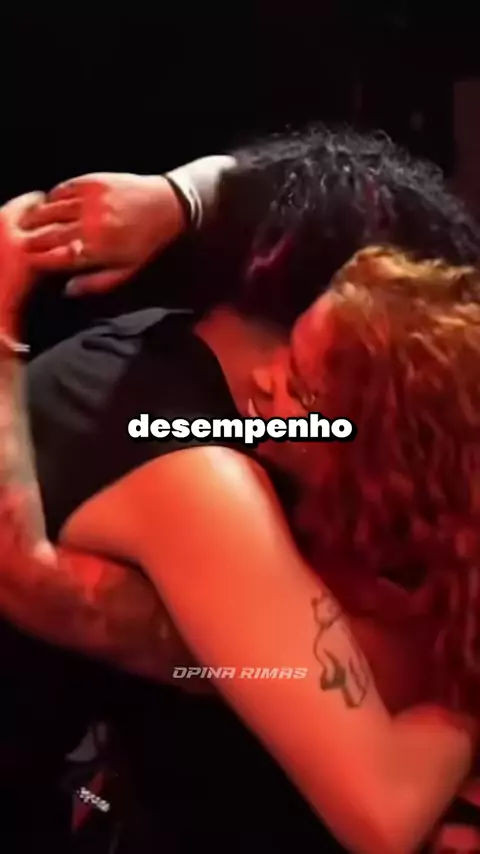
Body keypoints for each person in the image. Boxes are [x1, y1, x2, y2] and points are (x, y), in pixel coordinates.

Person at [0, 128, 479, 853]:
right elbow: (381, 811)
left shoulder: (213, 381)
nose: (269, 381)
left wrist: (179, 201)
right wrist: (465, 692)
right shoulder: (200, 468)